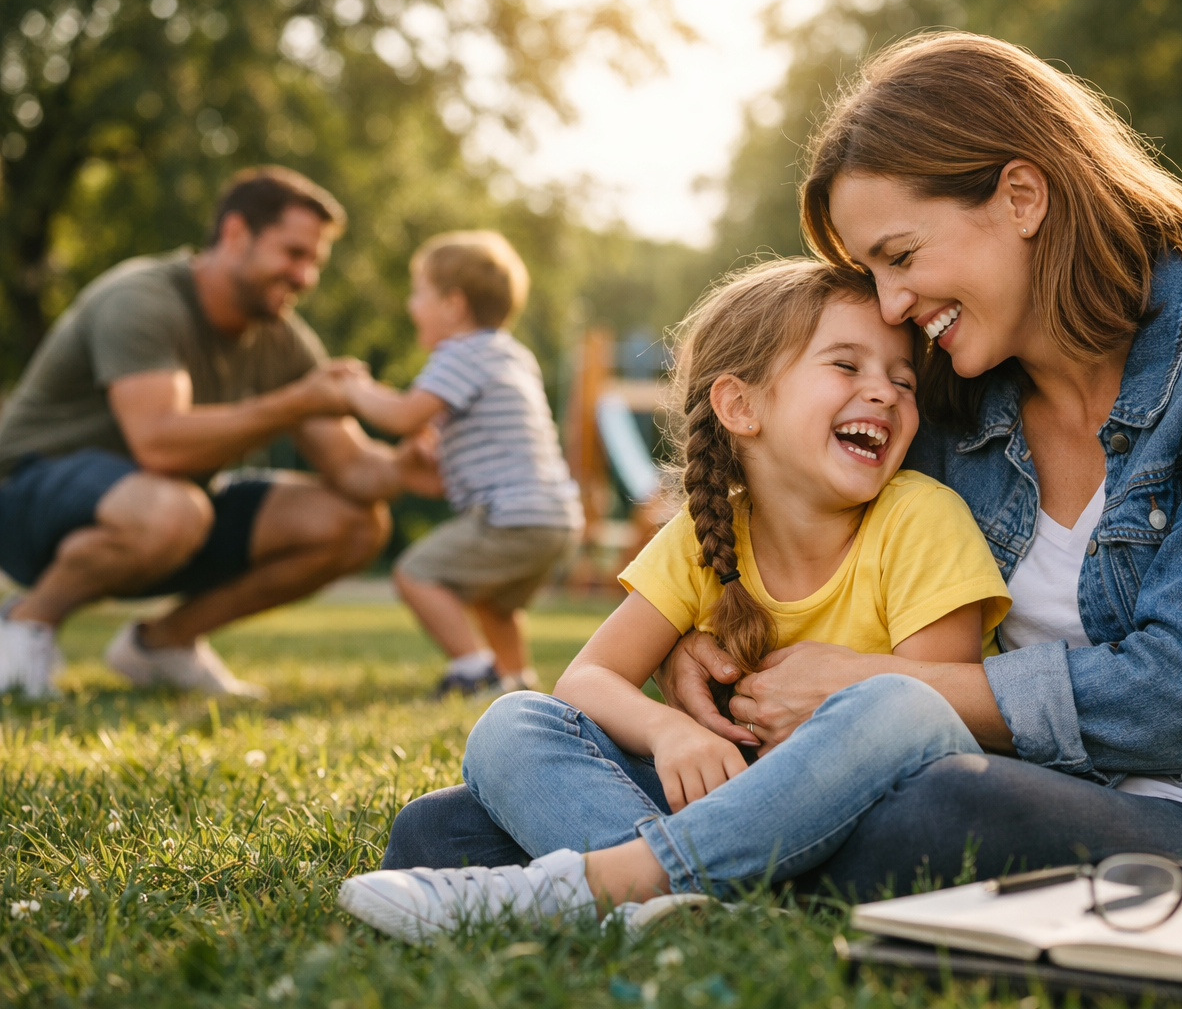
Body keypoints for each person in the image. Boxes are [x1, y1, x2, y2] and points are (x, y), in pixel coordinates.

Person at [379, 32, 1182, 896]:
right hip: (988, 772)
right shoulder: (946, 397)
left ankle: (646, 870)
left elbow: (1179, 700)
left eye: (900, 258)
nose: (894, 310)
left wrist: (877, 683)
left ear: (1022, 198)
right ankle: (678, 876)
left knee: (942, 814)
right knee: (447, 821)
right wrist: (719, 637)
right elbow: (813, 533)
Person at [337, 258, 1012, 940]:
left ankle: (612, 886)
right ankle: (670, 906)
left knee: (893, 702)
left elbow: (938, 714)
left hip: (873, 808)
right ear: (740, 406)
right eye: (847, 366)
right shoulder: (703, 532)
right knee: (509, 726)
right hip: (729, 803)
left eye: (902, 378)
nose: (887, 392)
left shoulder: (922, 517)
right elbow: (586, 681)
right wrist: (669, 731)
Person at [0, 166, 436, 699]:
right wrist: (293, 402)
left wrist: (404, 467)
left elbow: (352, 468)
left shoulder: (282, 336)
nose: (305, 277)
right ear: (235, 234)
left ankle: (160, 647)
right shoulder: (143, 299)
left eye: (314, 262)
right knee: (174, 510)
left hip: (168, 509)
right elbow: (157, 442)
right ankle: (25, 624)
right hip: (26, 497)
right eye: (293, 254)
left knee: (355, 523)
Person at [340, 231, 583, 696]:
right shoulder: (511, 354)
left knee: (415, 573)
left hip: (511, 516)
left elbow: (403, 414)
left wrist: (356, 390)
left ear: (453, 305)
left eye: (419, 294)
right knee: (495, 602)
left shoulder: (460, 352)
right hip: (555, 517)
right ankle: (516, 683)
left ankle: (473, 670)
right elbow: (482, 442)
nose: (412, 306)